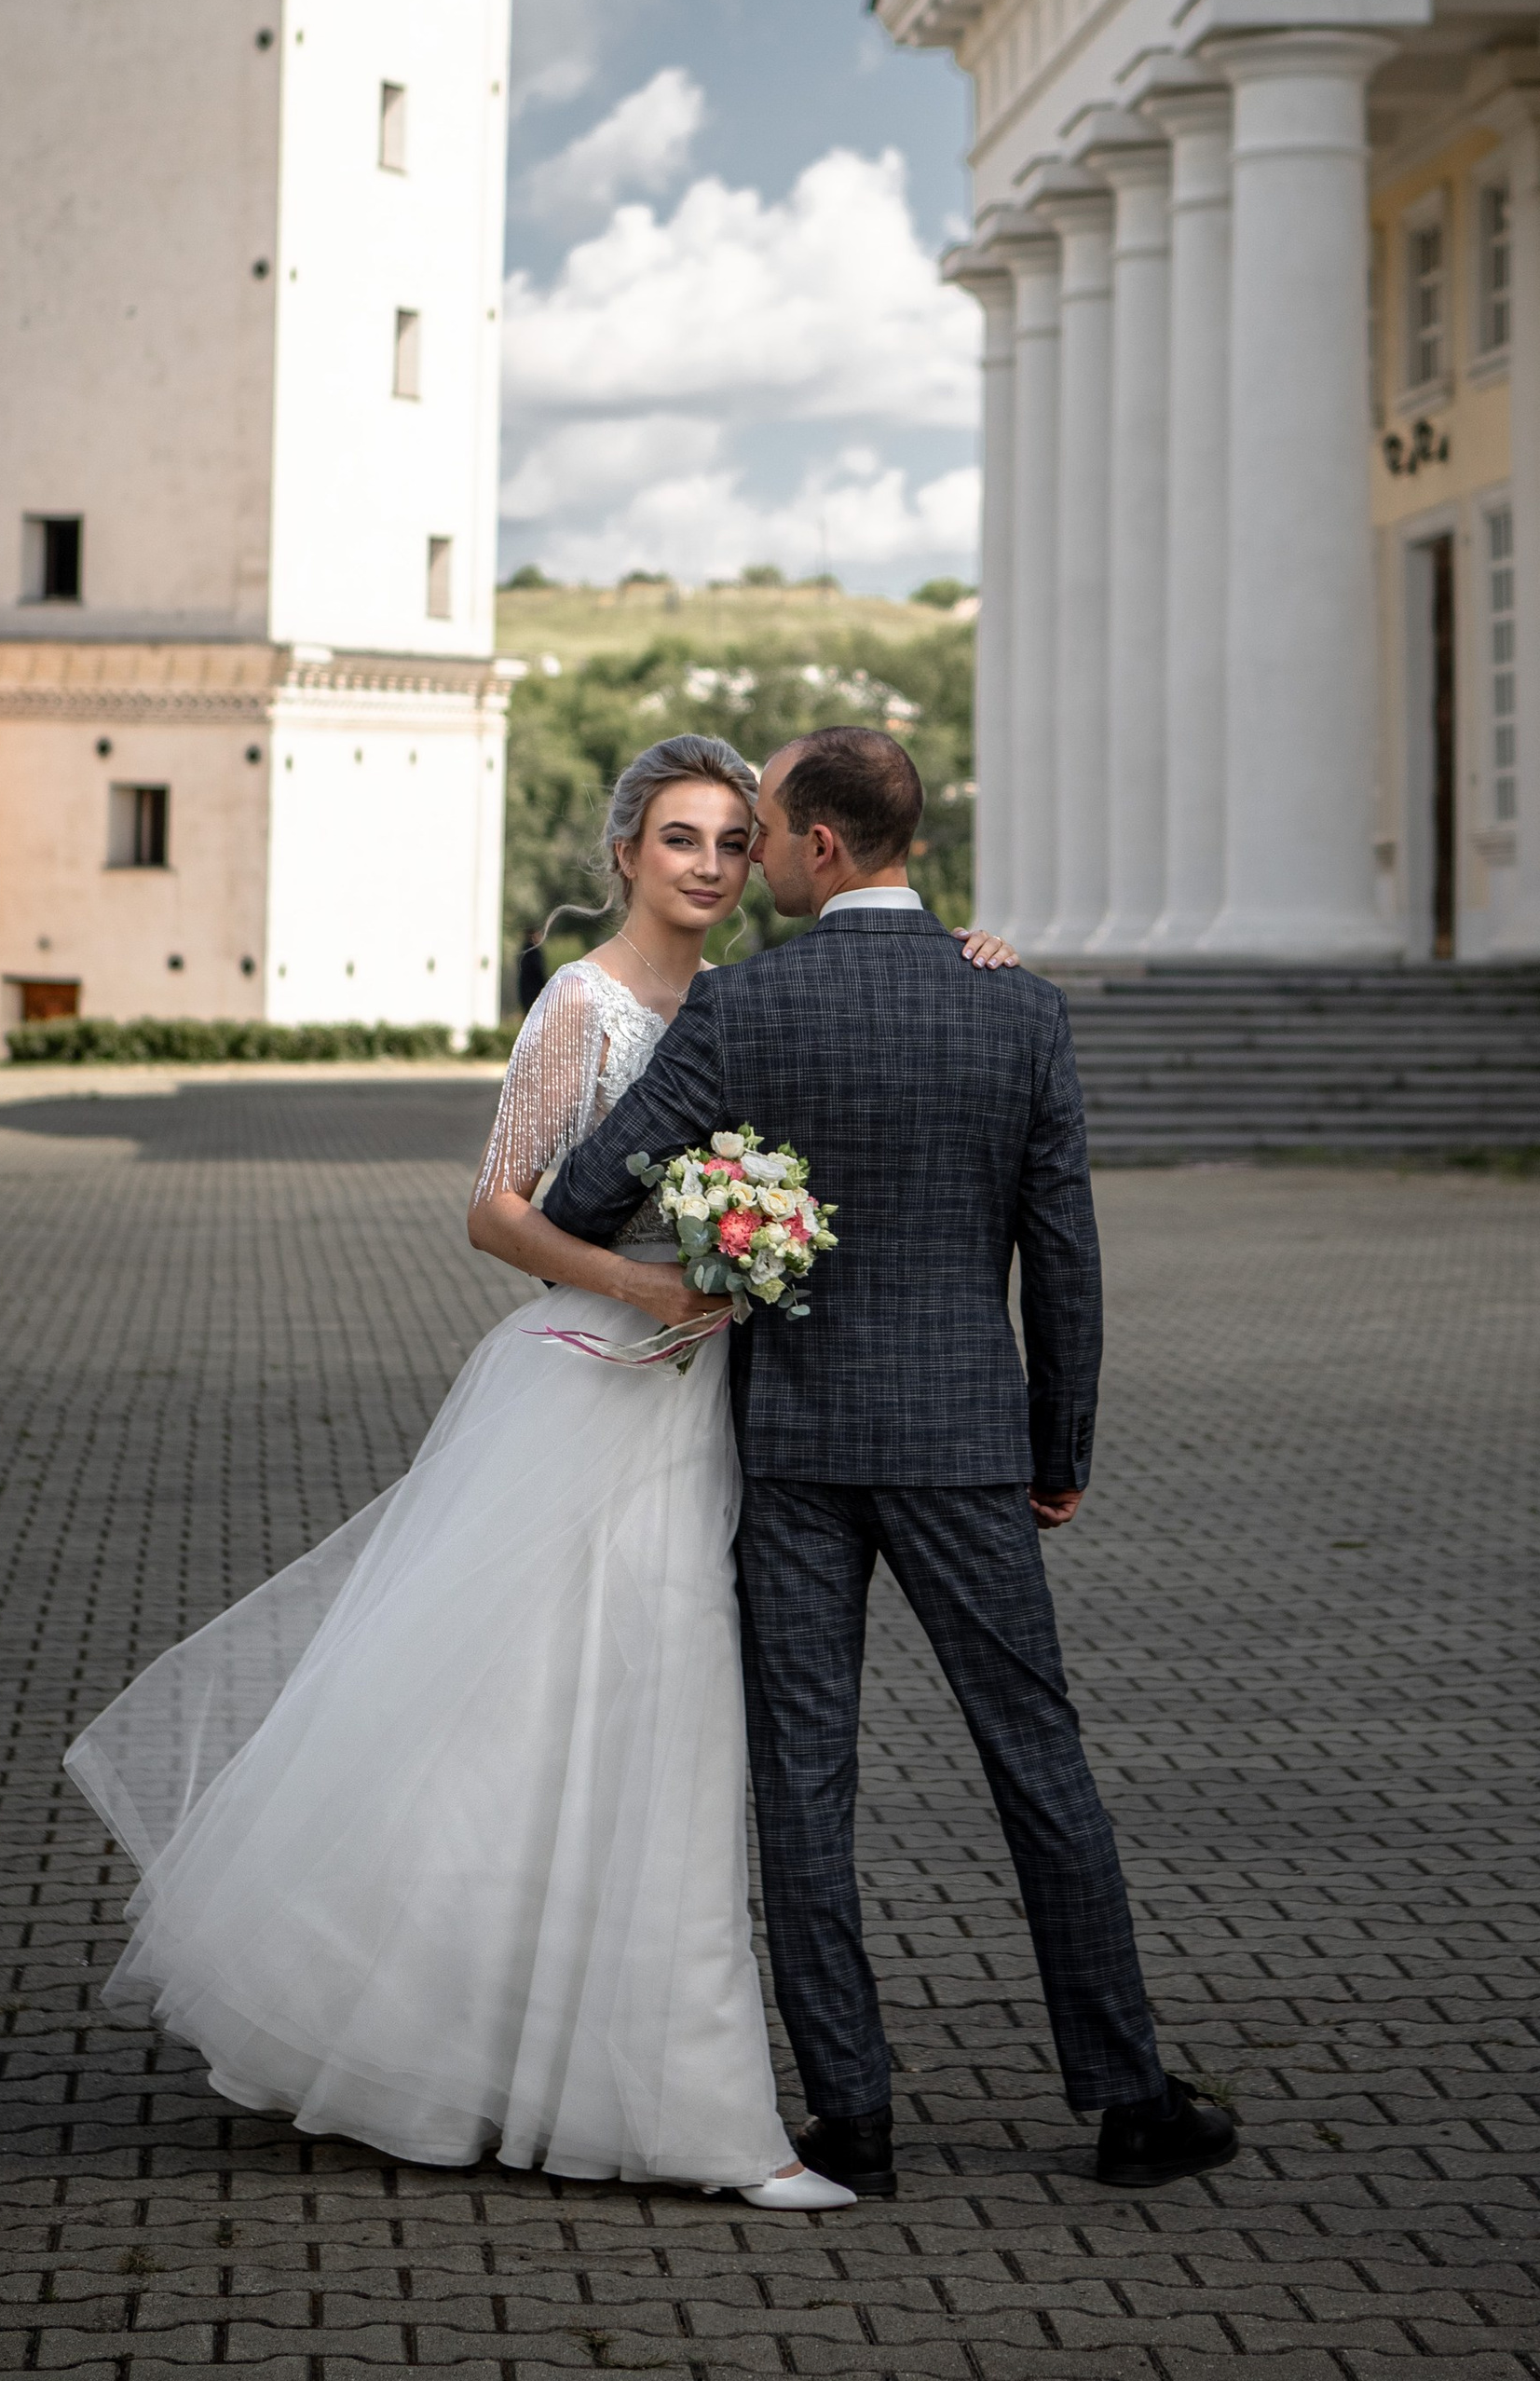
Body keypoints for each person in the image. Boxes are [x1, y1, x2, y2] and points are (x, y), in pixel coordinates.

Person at [62, 731, 1018, 2205]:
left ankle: (586, 2060)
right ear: (628, 852)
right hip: (599, 1386)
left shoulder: (755, 1000)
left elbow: (880, 1039)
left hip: (721, 1407)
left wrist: (965, 957)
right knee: (542, 1728)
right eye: (681, 839)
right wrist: (641, 1286)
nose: (710, 863)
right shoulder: (582, 1004)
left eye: (730, 840)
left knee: (643, 1737)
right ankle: (599, 2086)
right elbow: (496, 1212)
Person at [543, 721, 1240, 2196]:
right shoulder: (1020, 1009)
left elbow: (590, 1194)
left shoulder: (744, 1010)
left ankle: (849, 2114)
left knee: (805, 1778)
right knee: (1037, 1757)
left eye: (765, 830)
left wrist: (724, 1226)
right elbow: (1065, 1256)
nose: (744, 863)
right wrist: (1061, 1446)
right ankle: (1127, 2099)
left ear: (821, 845)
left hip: (792, 1444)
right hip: (965, 1443)